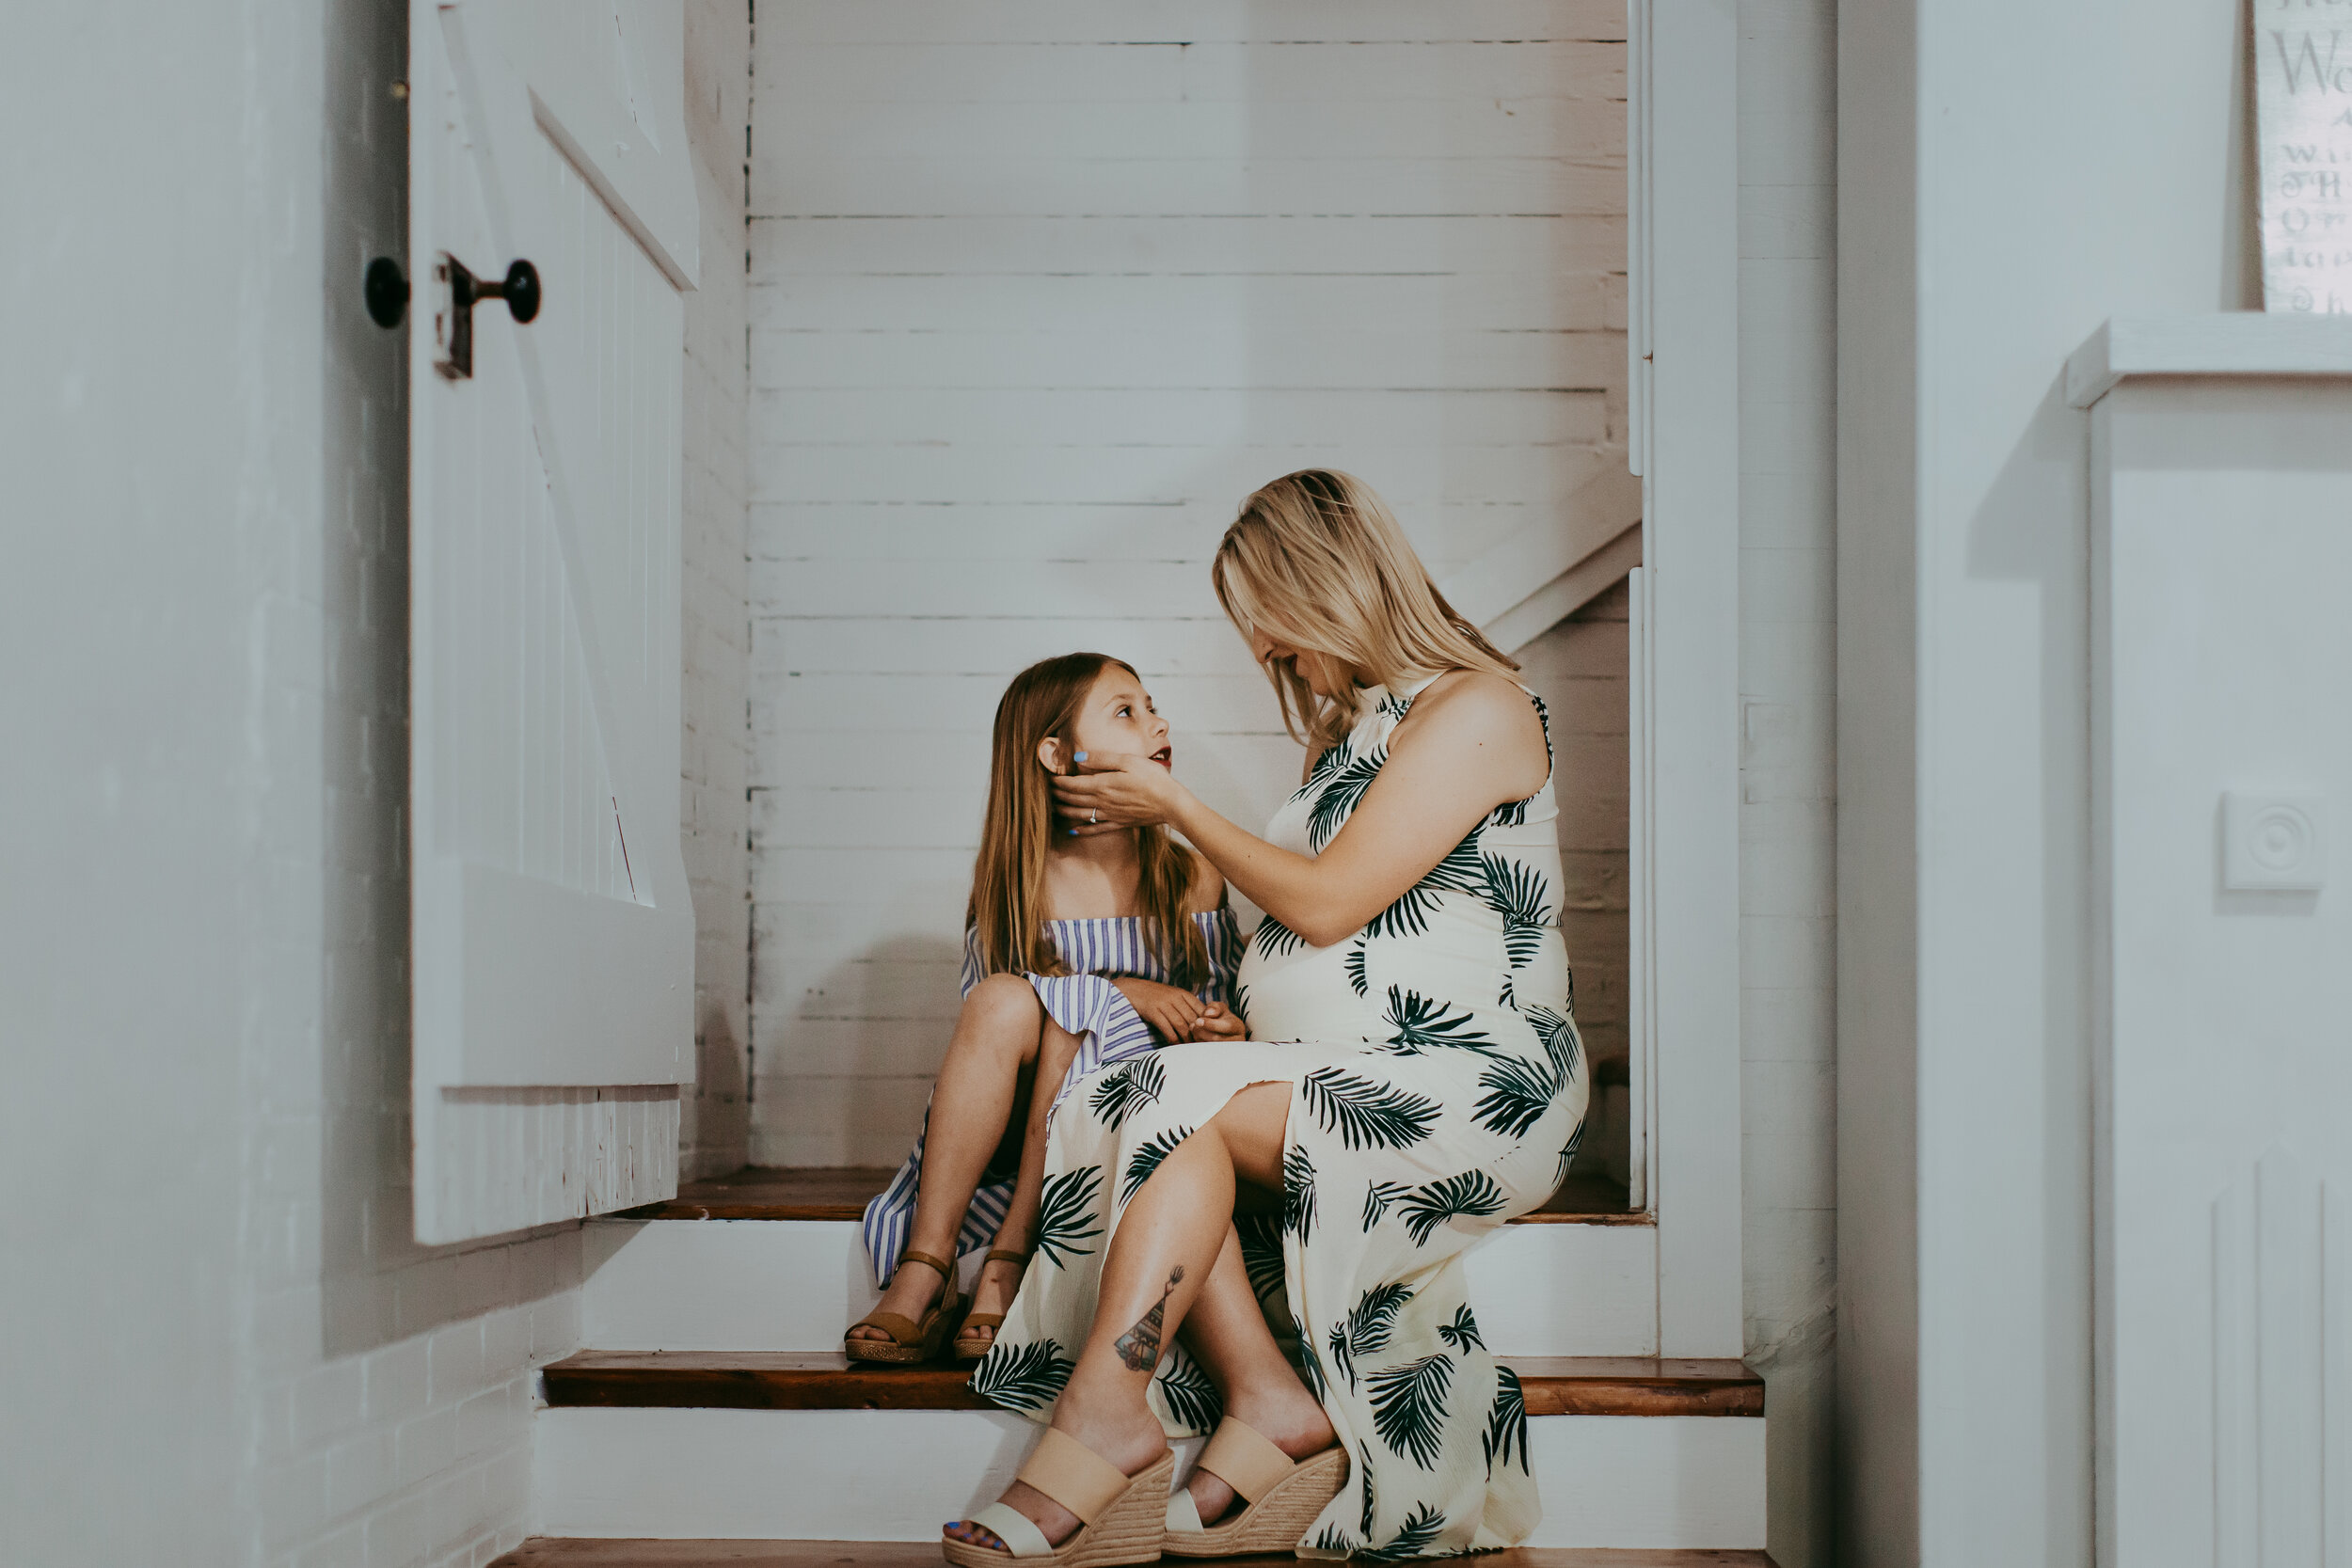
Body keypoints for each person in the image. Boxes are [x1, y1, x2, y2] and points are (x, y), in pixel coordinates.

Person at [942, 470, 1587, 1565]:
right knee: (1136, 1089)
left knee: (1145, 1100)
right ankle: (1263, 1403)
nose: (1268, 655)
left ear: (1326, 586)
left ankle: (1104, 1420)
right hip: (1329, 1065)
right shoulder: (1345, 735)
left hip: (1468, 1079)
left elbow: (1329, 900)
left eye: (1272, 628)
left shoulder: (1479, 706)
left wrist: (1178, 811)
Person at [847, 654, 1247, 1366]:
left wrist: (1219, 1021)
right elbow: (990, 1021)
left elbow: (1219, 1006)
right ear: (1055, 753)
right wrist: (1123, 989)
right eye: (1125, 710)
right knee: (1014, 1001)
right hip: (1014, 1127)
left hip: (1129, 1116)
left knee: (1070, 1020)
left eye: (1151, 704)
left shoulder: (1188, 875)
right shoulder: (1016, 882)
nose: (1157, 721)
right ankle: (928, 1261)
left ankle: (1007, 1260)